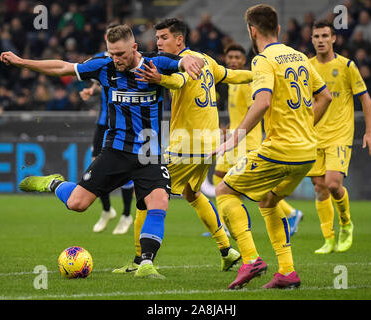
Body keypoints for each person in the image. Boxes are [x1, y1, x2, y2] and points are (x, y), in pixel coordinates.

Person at [2, 24, 205, 279]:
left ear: (134, 47)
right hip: (115, 151)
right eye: (111, 53)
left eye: (120, 54)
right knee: (77, 204)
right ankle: (54, 183)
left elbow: (181, 59)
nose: (116, 59)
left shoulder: (155, 63)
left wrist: (188, 62)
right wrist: (23, 62)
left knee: (159, 201)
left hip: (148, 153)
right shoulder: (103, 66)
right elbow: (63, 67)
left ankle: (146, 264)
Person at [114, 18, 253, 274]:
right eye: (156, 38)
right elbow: (232, 75)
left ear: (179, 39)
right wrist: (262, 75)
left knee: (145, 194)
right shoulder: (206, 60)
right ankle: (227, 250)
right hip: (208, 145)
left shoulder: (182, 64)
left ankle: (139, 261)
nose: (158, 43)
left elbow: (180, 81)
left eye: (164, 37)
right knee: (192, 194)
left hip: (186, 145)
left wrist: (159, 80)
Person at [210, 4, 332, 289]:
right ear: (277, 28)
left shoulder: (263, 60)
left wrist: (236, 135)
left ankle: (251, 260)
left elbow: (262, 101)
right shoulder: (300, 56)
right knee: (268, 201)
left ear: (252, 31)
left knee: (224, 190)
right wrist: (304, 125)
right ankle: (287, 272)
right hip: (306, 152)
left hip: (280, 149)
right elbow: (325, 96)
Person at [212, 43, 305, 237]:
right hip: (234, 137)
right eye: (231, 58)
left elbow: (257, 109)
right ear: (225, 59)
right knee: (219, 175)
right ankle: (226, 227)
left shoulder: (249, 83)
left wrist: (238, 133)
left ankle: (291, 213)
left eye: (238, 57)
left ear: (244, 60)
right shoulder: (233, 83)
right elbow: (240, 113)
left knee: (255, 187)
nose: (234, 61)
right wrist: (228, 128)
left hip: (246, 140)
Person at [309, 20, 371, 254]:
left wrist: (369, 131)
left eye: (325, 36)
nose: (320, 40)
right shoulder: (307, 67)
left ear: (333, 39)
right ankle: (328, 238)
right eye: (316, 36)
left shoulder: (347, 66)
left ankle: (346, 223)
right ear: (312, 40)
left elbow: (365, 98)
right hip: (314, 135)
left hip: (339, 134)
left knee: (333, 183)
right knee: (319, 187)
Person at [79, 22, 135, 235]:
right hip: (103, 122)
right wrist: (91, 90)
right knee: (95, 166)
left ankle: (127, 215)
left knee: (126, 170)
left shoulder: (126, 58)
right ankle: (107, 210)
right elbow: (98, 78)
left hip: (121, 123)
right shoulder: (103, 58)